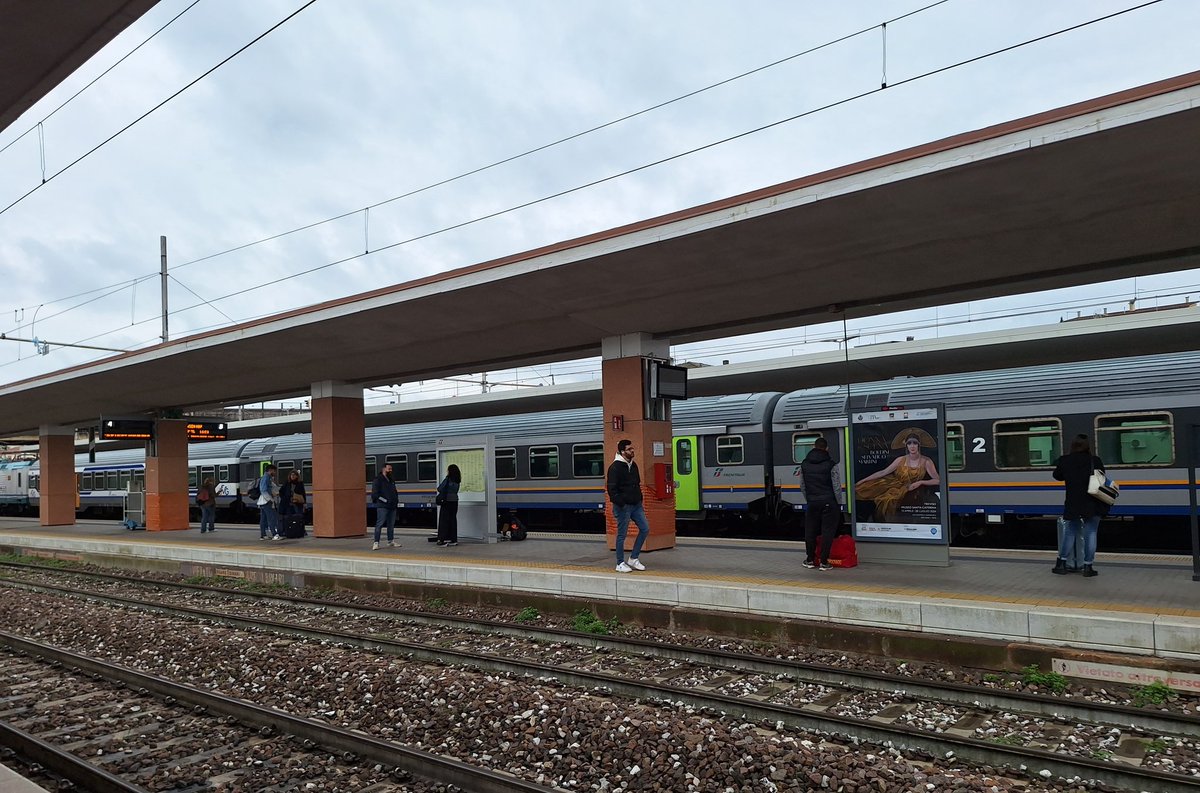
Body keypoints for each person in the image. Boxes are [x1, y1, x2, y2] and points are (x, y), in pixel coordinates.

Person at [854, 431, 940, 522]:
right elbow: (883, 472)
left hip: (912, 489)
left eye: (915, 443)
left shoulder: (926, 461)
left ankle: (887, 523)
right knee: (871, 491)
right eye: (909, 443)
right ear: (906, 445)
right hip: (894, 484)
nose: (912, 446)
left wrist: (920, 482)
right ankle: (880, 524)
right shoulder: (900, 459)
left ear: (919, 445)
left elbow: (937, 480)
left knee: (889, 499)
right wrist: (863, 480)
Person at [1052, 434, 1105, 577]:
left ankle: (1061, 564)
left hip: (1073, 502)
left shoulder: (1065, 461)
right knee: (1091, 533)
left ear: (1072, 446)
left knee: (1069, 532)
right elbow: (1102, 478)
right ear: (1088, 446)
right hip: (1093, 502)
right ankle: (1088, 567)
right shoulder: (1095, 461)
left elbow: (1057, 476)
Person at [606, 439, 648, 573]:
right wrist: (622, 504)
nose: (632, 451)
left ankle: (633, 558)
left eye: (632, 448)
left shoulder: (633, 465)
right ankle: (619, 563)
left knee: (645, 529)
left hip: (636, 505)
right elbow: (612, 490)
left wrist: (639, 499)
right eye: (630, 449)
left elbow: (637, 483)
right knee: (621, 535)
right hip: (623, 507)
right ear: (622, 451)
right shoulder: (615, 468)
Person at [800, 438, 840, 571]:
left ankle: (810, 559)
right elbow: (836, 486)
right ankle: (824, 562)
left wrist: (809, 499)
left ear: (814, 446)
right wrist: (837, 502)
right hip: (829, 501)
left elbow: (802, 485)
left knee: (810, 531)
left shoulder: (804, 464)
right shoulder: (831, 464)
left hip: (812, 502)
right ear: (826, 448)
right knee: (827, 532)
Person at [372, 463, 399, 550]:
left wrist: (395, 501)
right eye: (389, 469)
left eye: (391, 469)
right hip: (382, 505)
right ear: (384, 469)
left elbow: (394, 491)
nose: (390, 470)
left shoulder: (391, 480)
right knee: (380, 524)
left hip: (392, 505)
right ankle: (376, 543)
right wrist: (385, 500)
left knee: (391, 524)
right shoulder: (378, 479)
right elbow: (375, 494)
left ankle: (390, 541)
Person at [435, 464, 462, 547]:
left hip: (446, 502)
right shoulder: (458, 480)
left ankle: (441, 540)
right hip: (455, 502)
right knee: (453, 520)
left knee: (444, 521)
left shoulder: (448, 479)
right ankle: (453, 540)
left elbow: (439, 488)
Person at [256, 465, 280, 540]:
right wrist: (270, 499)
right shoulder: (266, 477)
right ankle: (275, 534)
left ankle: (263, 535)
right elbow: (263, 490)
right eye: (274, 471)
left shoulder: (266, 477)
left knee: (263, 519)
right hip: (266, 501)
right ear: (270, 470)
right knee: (271, 517)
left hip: (263, 501)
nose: (275, 472)